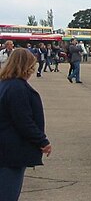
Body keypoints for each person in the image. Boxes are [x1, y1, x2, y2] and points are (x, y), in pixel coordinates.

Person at [0, 48, 52, 201]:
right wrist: (42, 141)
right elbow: (23, 121)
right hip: (11, 152)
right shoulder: (17, 88)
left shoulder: (5, 85)